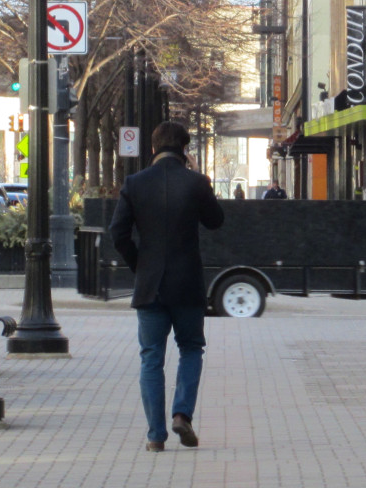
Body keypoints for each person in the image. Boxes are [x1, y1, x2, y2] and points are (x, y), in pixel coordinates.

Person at [109, 121, 224, 453]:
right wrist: (204, 182)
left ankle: (155, 435)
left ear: (152, 149)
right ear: (185, 151)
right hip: (187, 284)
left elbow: (118, 234)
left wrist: (140, 266)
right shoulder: (195, 182)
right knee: (191, 349)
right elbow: (216, 221)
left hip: (150, 287)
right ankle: (182, 415)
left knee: (151, 358)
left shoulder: (135, 183)